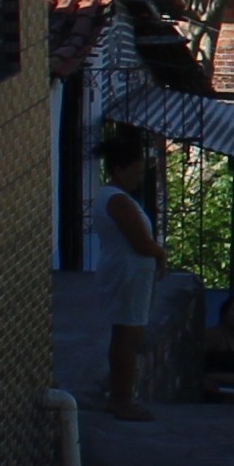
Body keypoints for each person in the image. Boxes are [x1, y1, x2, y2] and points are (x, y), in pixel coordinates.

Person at [95, 128, 169, 419]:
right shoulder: (118, 200)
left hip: (129, 271)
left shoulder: (115, 197)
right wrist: (160, 253)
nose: (139, 179)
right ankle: (122, 399)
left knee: (125, 333)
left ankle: (119, 395)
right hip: (128, 273)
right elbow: (139, 241)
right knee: (128, 335)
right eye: (135, 173)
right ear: (119, 170)